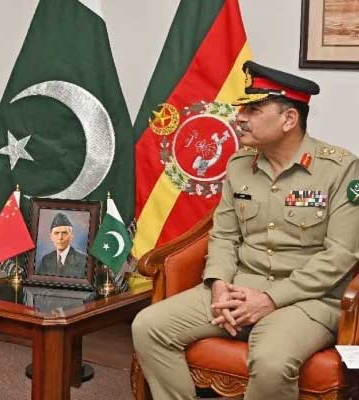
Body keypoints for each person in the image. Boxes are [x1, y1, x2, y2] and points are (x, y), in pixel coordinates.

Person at [132, 61, 359, 400]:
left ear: (289, 119)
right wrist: (220, 285)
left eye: (254, 109)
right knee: (148, 327)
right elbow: (223, 236)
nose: (240, 117)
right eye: (242, 108)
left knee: (270, 360)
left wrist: (270, 299)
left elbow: (340, 255)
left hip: (306, 300)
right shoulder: (240, 164)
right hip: (239, 287)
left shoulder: (341, 169)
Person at [37, 212, 87, 278]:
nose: (60, 237)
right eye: (56, 233)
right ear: (51, 236)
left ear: (71, 236)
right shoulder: (46, 260)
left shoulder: (83, 260)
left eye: (64, 233)